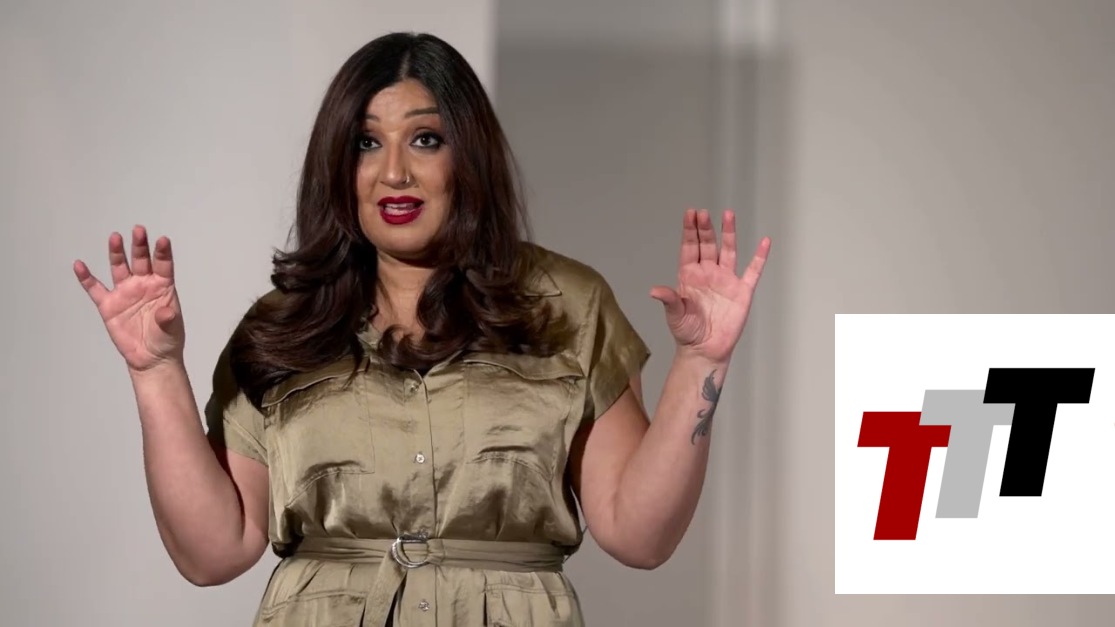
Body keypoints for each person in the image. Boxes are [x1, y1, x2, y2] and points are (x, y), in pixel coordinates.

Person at [73, 32, 770, 627]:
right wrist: (154, 370)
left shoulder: (568, 305)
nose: (394, 172)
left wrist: (700, 361)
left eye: (425, 139)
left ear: (468, 156)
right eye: (366, 143)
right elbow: (212, 552)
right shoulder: (284, 325)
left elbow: (640, 534)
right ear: (337, 164)